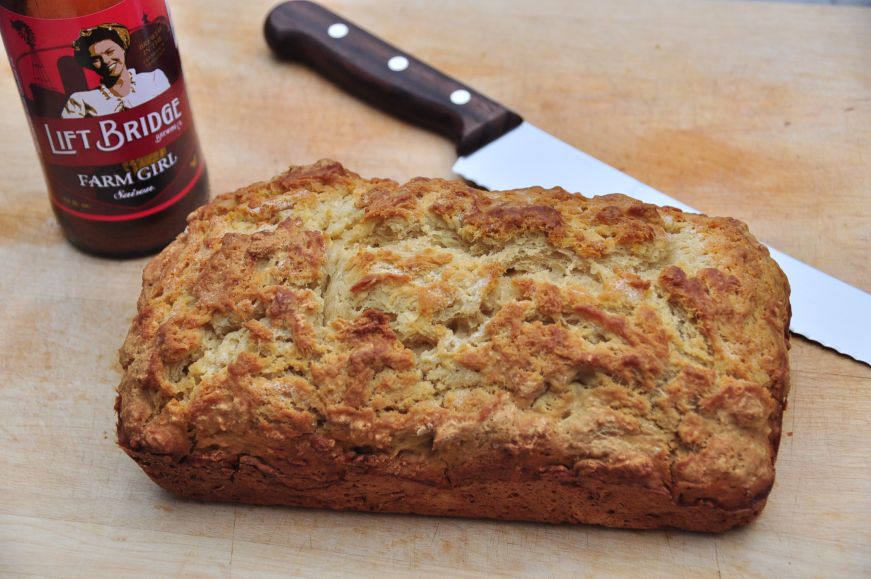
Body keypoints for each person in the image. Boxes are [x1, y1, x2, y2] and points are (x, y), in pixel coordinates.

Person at [61, 23, 169, 118]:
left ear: (123, 48)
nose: (105, 61)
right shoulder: (80, 102)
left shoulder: (154, 79)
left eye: (110, 52)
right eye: (95, 59)